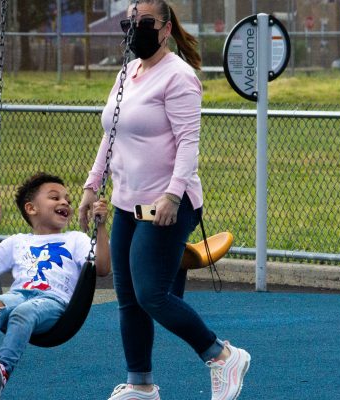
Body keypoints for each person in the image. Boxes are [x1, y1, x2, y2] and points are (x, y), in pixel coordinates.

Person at [78, 1, 250, 399]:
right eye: (130, 22)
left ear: (166, 29)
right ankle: (141, 386)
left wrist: (174, 195)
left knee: (152, 294)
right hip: (125, 202)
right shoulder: (128, 72)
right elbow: (111, 133)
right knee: (128, 300)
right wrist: (92, 185)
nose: (135, 29)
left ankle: (223, 355)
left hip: (168, 204)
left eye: (145, 23)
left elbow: (189, 143)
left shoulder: (179, 77)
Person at [0, 172, 110, 400]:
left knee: (23, 312)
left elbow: (102, 268)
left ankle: (2, 368)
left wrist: (100, 228)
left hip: (54, 303)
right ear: (31, 208)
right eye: (54, 197)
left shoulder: (76, 240)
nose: (64, 203)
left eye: (68, 200)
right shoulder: (17, 242)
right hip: (20, 294)